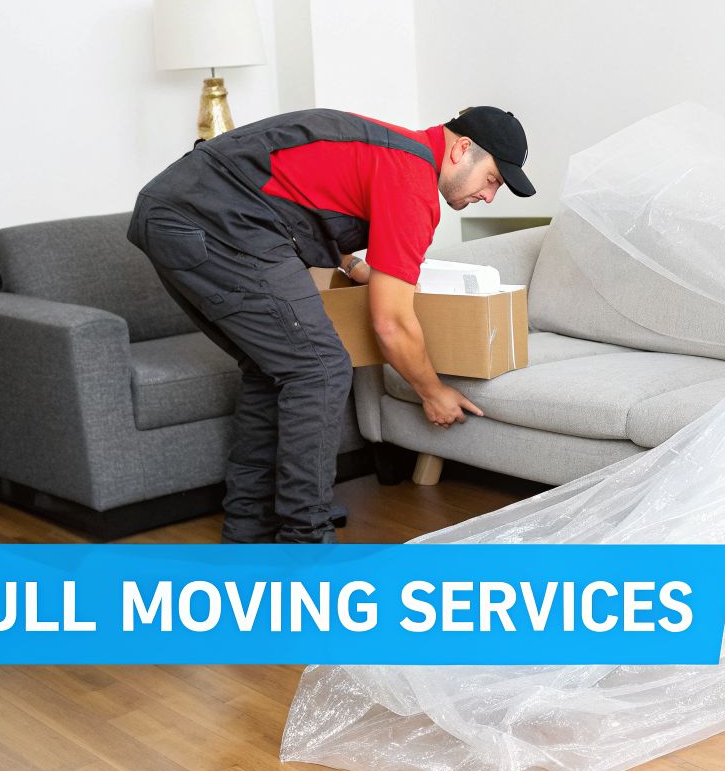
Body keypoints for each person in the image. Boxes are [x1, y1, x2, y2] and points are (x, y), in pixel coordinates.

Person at [126, 106, 534, 543]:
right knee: (319, 369)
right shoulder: (411, 180)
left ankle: (248, 530)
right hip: (214, 222)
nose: (489, 196)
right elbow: (392, 322)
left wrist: (356, 269)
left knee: (276, 369)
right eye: (491, 179)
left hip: (174, 213)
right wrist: (431, 392)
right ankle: (305, 543)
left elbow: (300, 203)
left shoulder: (390, 149)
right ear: (462, 150)